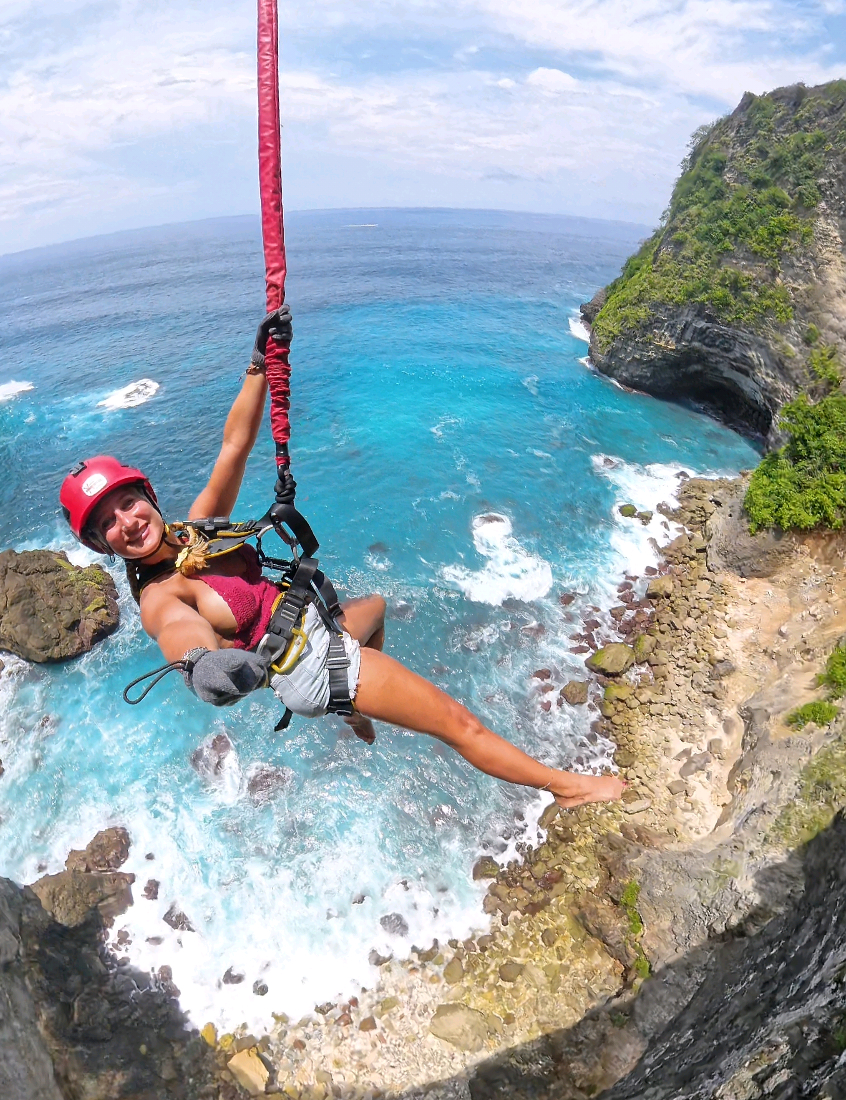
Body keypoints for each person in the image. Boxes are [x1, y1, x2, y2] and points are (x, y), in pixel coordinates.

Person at [60, 308, 626, 809]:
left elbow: (234, 445)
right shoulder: (159, 595)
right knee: (459, 724)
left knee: (376, 606)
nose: (127, 523)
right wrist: (203, 664)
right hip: (307, 663)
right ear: (99, 544)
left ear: (148, 497)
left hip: (314, 627)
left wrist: (260, 366)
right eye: (107, 523)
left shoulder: (193, 531)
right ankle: (567, 787)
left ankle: (352, 710)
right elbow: (178, 631)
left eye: (128, 504)